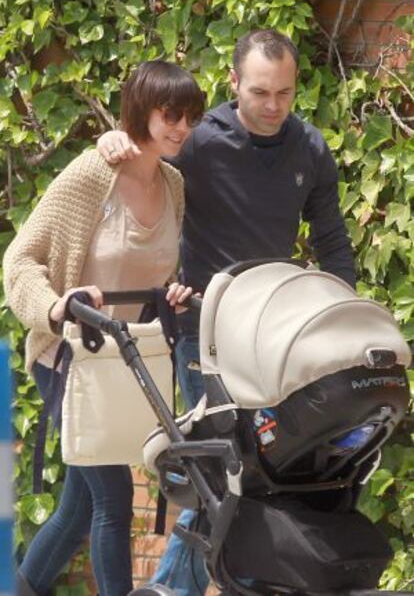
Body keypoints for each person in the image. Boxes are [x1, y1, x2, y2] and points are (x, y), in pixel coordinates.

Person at [97, 29, 356, 596]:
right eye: (260, 92)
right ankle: (173, 589)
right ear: (234, 82)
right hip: (202, 335)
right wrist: (110, 143)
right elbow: (140, 165)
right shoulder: (199, 142)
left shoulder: (309, 149)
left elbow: (333, 242)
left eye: (285, 94)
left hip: (274, 341)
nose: (272, 107)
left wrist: (345, 316)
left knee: (266, 474)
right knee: (222, 470)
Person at [3, 60, 205, 596]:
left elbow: (155, 271)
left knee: (78, 509)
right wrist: (56, 305)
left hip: (125, 364)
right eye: (170, 114)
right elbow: (20, 259)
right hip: (70, 358)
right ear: (142, 111)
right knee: (114, 497)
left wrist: (175, 292)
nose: (182, 127)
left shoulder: (173, 183)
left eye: (190, 116)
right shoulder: (93, 175)